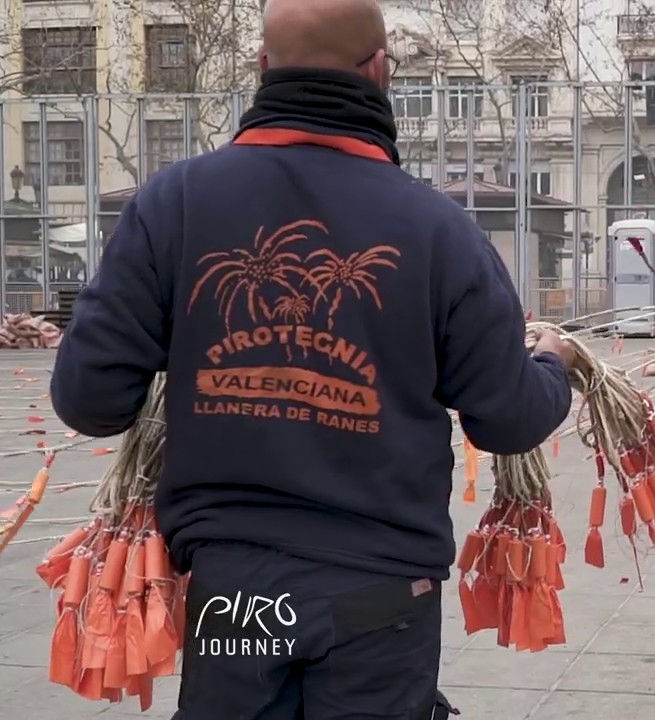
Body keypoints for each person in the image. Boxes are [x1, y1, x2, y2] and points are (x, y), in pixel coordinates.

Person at [48, 0, 576, 717]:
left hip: (233, 599)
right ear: (380, 72)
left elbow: (90, 399)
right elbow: (509, 419)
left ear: (263, 69)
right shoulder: (439, 230)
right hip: (382, 600)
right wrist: (554, 364)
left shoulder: (171, 204)